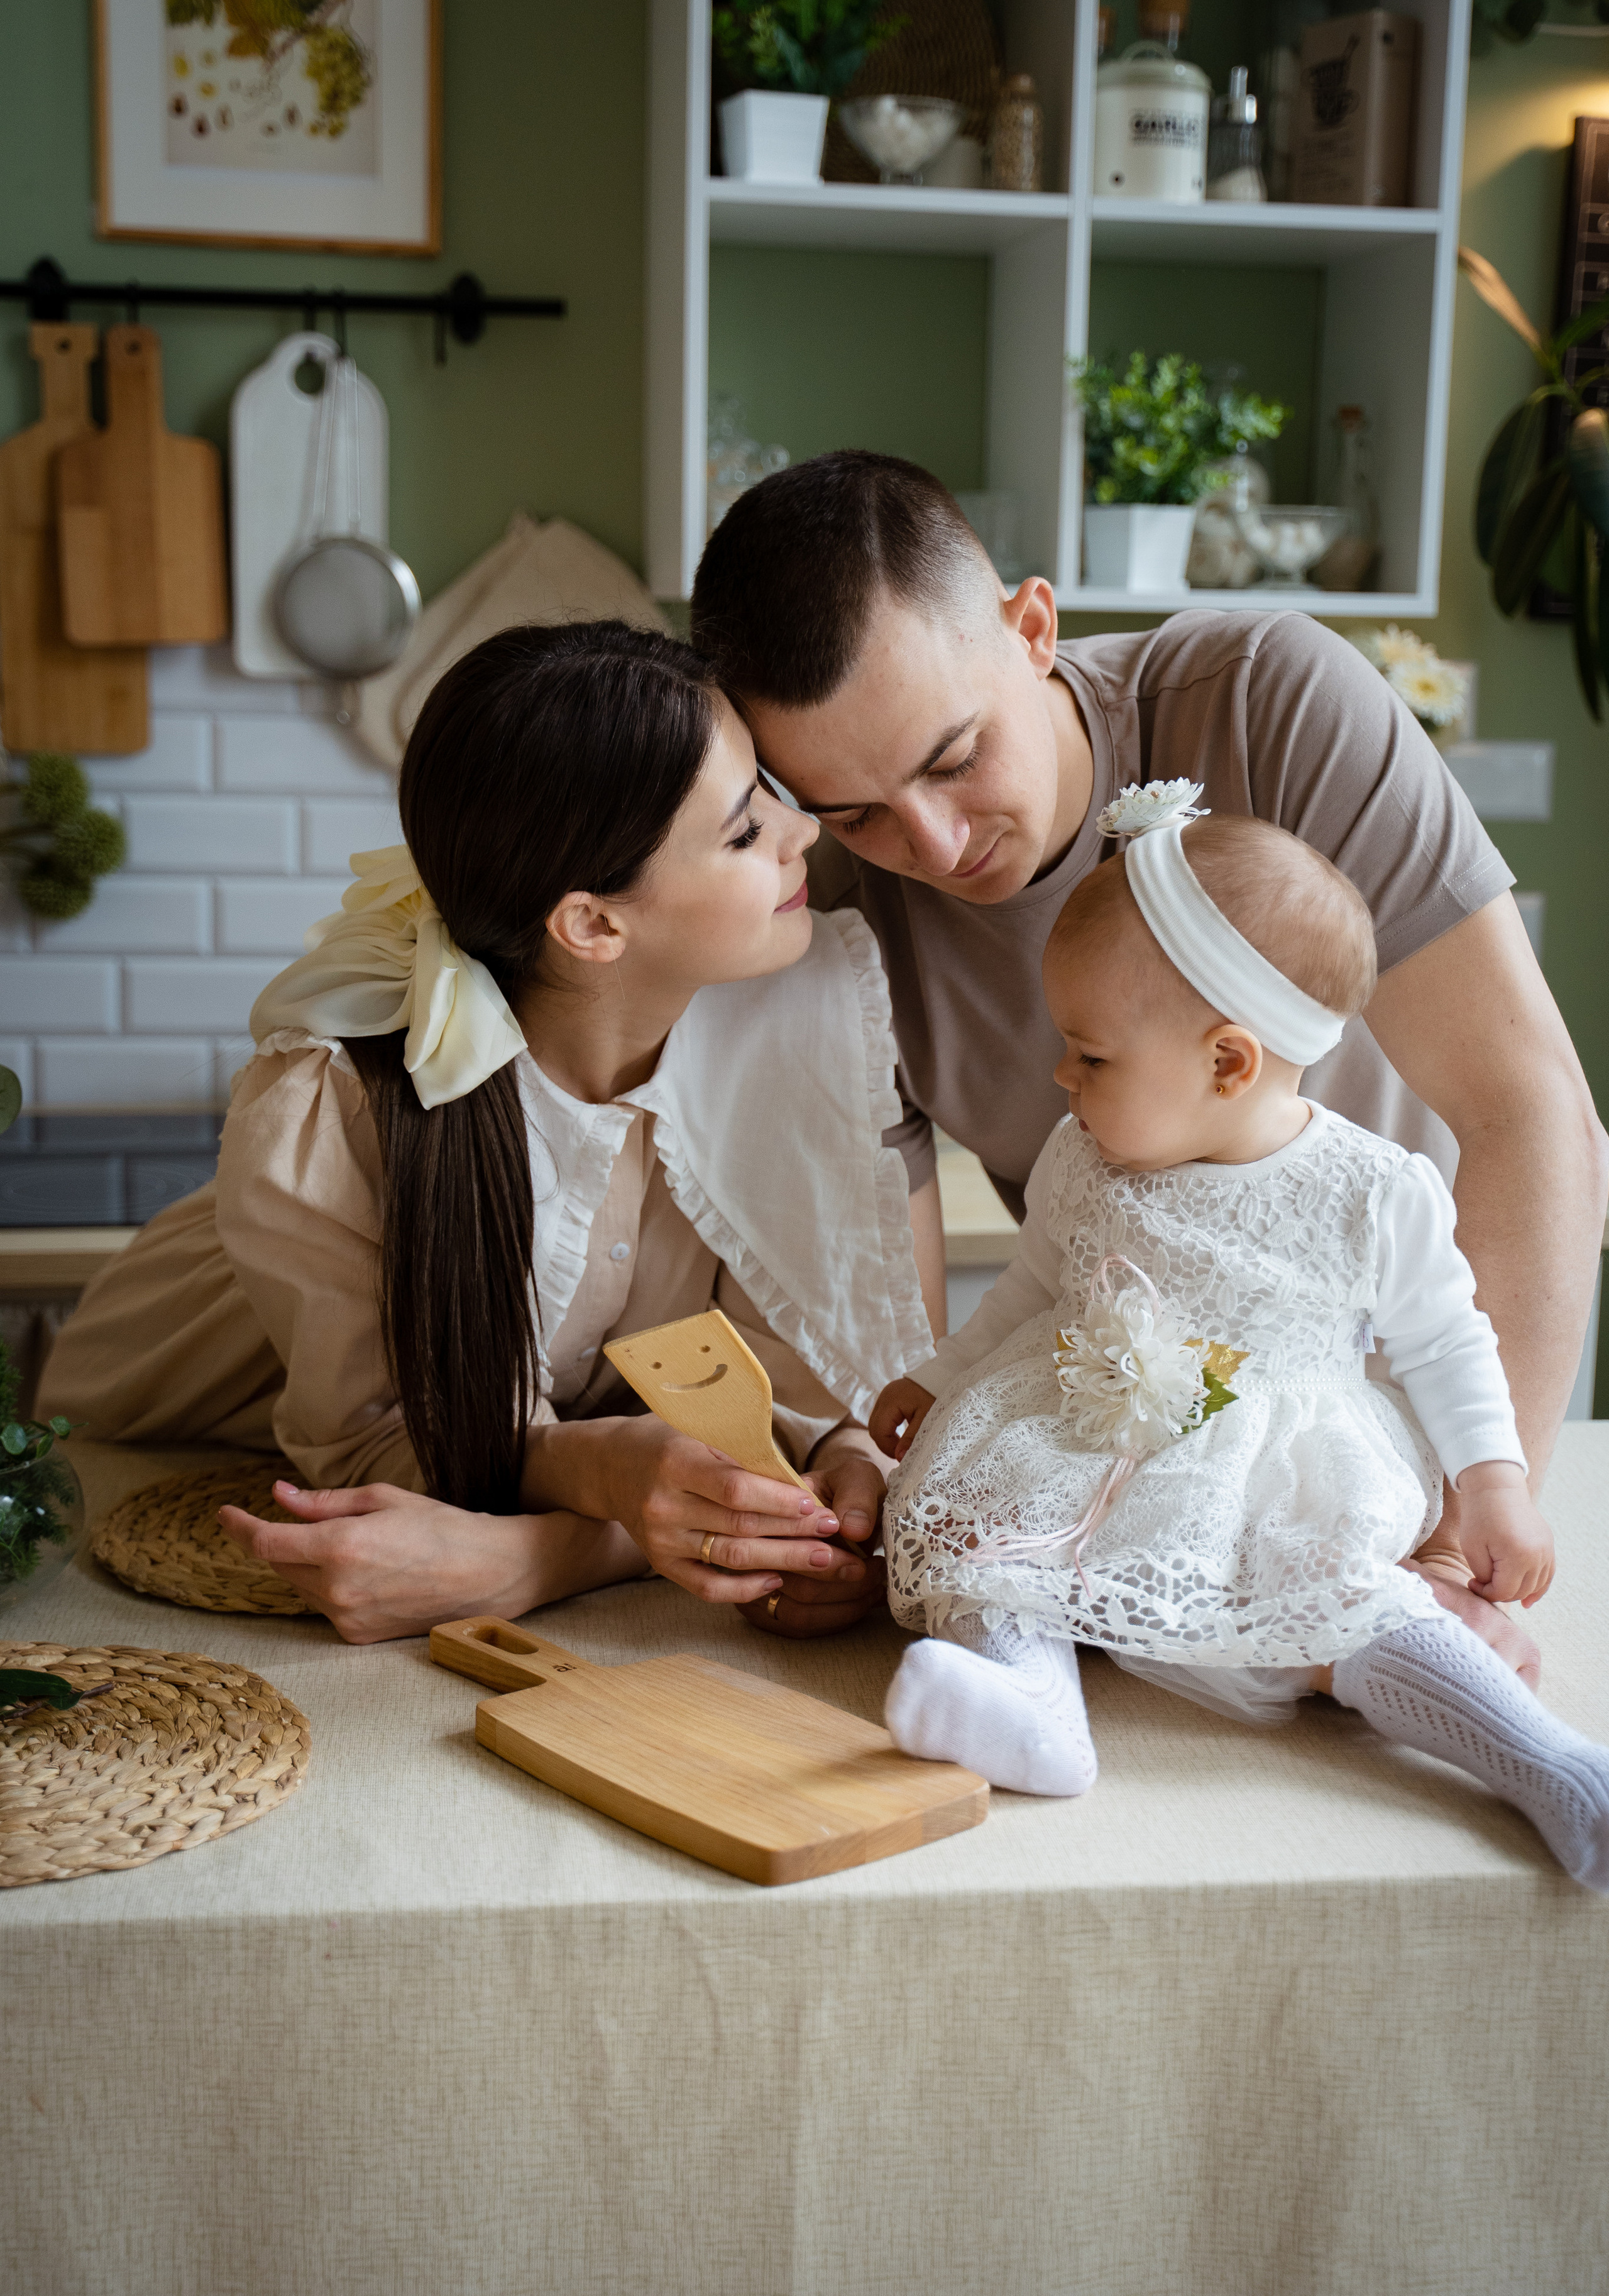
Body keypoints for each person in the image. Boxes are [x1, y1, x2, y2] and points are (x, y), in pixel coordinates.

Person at [690, 451, 1609, 1676]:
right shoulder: (840, 907)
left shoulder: (1261, 702)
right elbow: (900, 1316)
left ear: (1030, 628)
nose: (933, 843)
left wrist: (1458, 1537)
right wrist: (871, 1476)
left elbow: (1528, 1115)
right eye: (851, 810)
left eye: (953, 757)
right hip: (1144, 1471)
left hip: (1435, 1412)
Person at [42, 622, 933, 1642]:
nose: (802, 831)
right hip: (140, 1439)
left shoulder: (793, 1024)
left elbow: (794, 1396)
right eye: (743, 833)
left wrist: (840, 1485)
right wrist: (601, 1484)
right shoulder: (328, 1108)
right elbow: (373, 1443)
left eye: (766, 793)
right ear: (593, 925)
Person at [867, 789, 1609, 1893]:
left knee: (1349, 1597)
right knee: (983, 1534)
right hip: (1078, 1432)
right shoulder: (1084, 1159)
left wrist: (1493, 1483)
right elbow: (1030, 1289)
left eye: (1092, 1055)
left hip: (1269, 1462)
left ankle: (1547, 1761)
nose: (1064, 1081)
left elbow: (1450, 1343)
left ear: (1229, 1061)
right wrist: (942, 1374)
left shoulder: (1371, 1190)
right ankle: (1032, 1706)